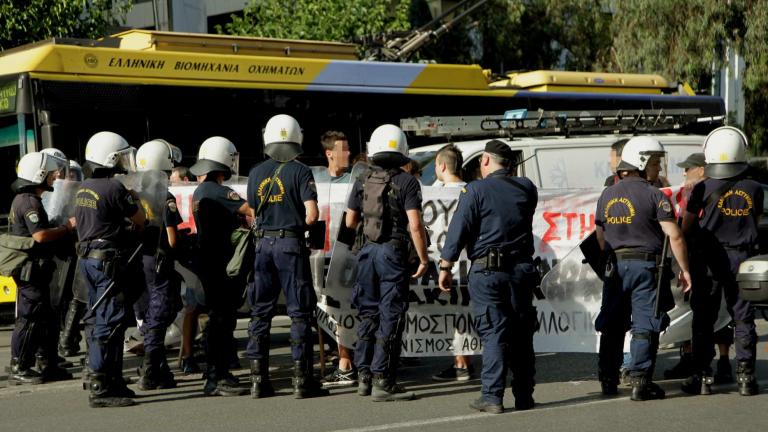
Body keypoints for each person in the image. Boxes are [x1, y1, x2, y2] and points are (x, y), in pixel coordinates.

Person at [437, 140, 538, 413]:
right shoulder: (527, 188)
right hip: (521, 270)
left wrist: (445, 266)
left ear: (484, 161)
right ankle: (524, 395)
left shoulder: (476, 190)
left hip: (488, 271)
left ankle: (492, 396)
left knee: (494, 331)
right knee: (521, 333)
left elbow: (459, 228)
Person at [594, 136, 692, 401]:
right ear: (642, 162)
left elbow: (600, 238)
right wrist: (685, 269)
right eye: (655, 162)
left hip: (614, 267)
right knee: (645, 325)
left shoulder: (607, 194)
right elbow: (675, 235)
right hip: (645, 267)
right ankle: (639, 381)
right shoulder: (654, 195)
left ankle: (608, 379)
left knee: (612, 325)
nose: (658, 169)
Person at [245, 114, 328, 399]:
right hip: (290, 246)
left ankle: (258, 380)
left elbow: (253, 213)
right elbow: (312, 214)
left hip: (262, 247)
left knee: (260, 312)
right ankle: (301, 380)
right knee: (299, 313)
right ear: (297, 137)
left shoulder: (255, 172)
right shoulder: (301, 171)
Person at [345, 124, 429, 402]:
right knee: (390, 315)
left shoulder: (361, 179)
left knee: (367, 313)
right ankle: (384, 381)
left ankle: (364, 376)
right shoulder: (407, 182)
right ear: (402, 149)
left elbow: (349, 222)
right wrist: (423, 258)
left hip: (367, 253)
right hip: (393, 254)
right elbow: (415, 225)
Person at [681, 126, 762, 396]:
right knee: (743, 317)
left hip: (709, 258)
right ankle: (745, 376)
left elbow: (687, 225)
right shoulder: (754, 188)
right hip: (744, 258)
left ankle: (702, 376)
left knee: (704, 318)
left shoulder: (701, 187)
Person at [75, 131, 145, 407]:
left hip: (89, 260)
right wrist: (135, 198)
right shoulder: (114, 188)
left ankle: (114, 378)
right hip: (108, 262)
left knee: (104, 317)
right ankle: (101, 384)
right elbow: (139, 219)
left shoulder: (84, 186)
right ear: (111, 158)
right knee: (109, 320)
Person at [189, 136, 251, 397]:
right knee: (222, 319)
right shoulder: (218, 191)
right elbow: (250, 209)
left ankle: (216, 372)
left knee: (217, 317)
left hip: (207, 260)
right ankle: (218, 376)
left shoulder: (199, 191)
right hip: (221, 262)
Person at [6, 151, 75, 385]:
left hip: (38, 269)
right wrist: (67, 228)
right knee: (30, 317)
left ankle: (47, 362)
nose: (55, 177)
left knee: (46, 317)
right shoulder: (29, 201)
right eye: (50, 174)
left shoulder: (28, 199)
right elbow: (41, 235)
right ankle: (20, 365)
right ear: (39, 175)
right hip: (31, 270)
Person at [134, 139, 184, 390]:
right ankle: (151, 369)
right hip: (159, 261)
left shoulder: (134, 194)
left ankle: (160, 369)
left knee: (147, 315)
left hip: (138, 261)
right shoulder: (166, 196)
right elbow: (173, 239)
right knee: (161, 313)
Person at [315, 130, 357, 388]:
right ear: (330, 153)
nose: (349, 153)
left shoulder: (355, 180)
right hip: (320, 255)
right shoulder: (315, 179)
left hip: (346, 255)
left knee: (345, 310)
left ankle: (346, 361)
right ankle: (341, 355)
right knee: (323, 312)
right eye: (344, 149)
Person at [430, 144, 474, 382]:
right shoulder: (472, 192)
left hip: (446, 267)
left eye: (436, 164)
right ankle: (464, 361)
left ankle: (461, 365)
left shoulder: (436, 195)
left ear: (443, 165)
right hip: (471, 264)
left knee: (457, 317)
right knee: (464, 315)